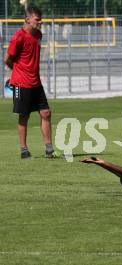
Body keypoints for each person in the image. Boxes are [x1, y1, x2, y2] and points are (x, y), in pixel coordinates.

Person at [4, 5, 54, 159]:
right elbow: (7, 59)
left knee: (46, 112)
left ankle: (49, 149)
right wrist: (17, 72)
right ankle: (24, 150)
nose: (40, 22)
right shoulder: (18, 37)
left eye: (41, 19)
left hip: (36, 82)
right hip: (21, 84)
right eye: (37, 19)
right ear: (27, 19)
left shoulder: (38, 35)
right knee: (24, 116)